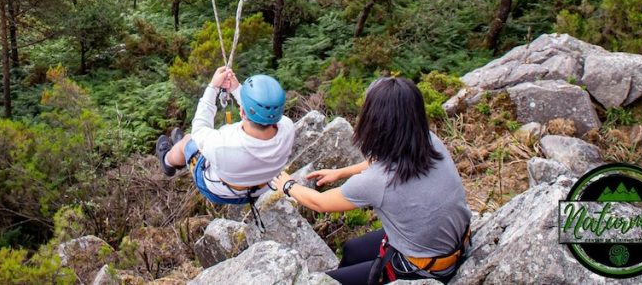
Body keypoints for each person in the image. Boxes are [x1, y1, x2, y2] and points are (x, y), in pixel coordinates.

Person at [273, 76, 471, 284]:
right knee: (351, 249)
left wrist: (287, 185)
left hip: (423, 267)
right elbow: (388, 159)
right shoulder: (429, 140)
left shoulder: (378, 182)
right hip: (452, 244)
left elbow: (319, 203)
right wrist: (341, 172)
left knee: (329, 281)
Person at [156, 65, 295, 208]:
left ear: (242, 112)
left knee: (188, 141)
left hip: (220, 192)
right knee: (196, 140)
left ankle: (168, 161)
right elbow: (260, 113)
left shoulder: (223, 144)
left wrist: (213, 87)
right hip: (261, 188)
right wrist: (236, 88)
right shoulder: (288, 128)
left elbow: (199, 128)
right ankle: (181, 153)